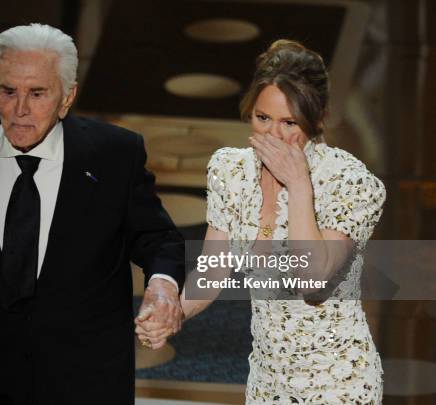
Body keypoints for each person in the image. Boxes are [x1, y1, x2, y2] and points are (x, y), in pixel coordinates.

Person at [0, 23, 184, 405]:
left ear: (66, 98)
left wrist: (162, 287)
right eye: (8, 91)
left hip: (92, 375)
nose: (20, 109)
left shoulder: (113, 154)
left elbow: (157, 238)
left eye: (37, 93)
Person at [136, 39, 386, 403]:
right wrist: (171, 311)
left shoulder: (348, 182)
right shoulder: (231, 170)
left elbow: (312, 279)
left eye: (289, 123)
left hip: (339, 381)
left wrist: (299, 185)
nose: (273, 135)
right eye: (263, 118)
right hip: (267, 380)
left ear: (317, 121)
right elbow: (212, 273)